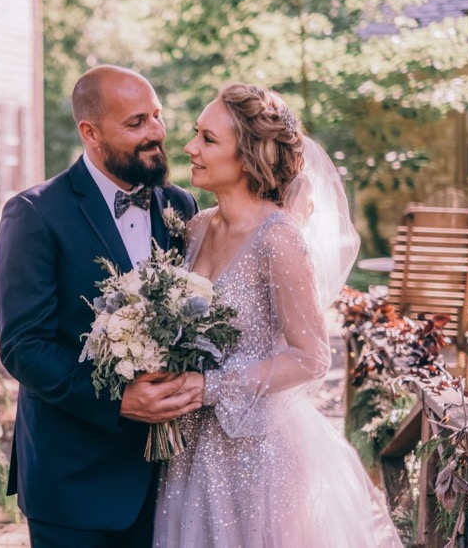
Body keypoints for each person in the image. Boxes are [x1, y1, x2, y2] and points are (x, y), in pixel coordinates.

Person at [153, 83, 402, 547]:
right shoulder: (196, 227)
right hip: (191, 450)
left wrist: (211, 386)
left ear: (249, 157)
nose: (189, 147)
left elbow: (311, 357)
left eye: (208, 138)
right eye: (196, 133)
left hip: (259, 453)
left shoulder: (278, 238)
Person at [0, 65, 201, 548]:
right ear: (90, 133)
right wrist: (119, 400)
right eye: (136, 123)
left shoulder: (182, 206)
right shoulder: (35, 213)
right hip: (73, 482)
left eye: (156, 116)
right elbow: (24, 346)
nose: (156, 132)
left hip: (167, 481)